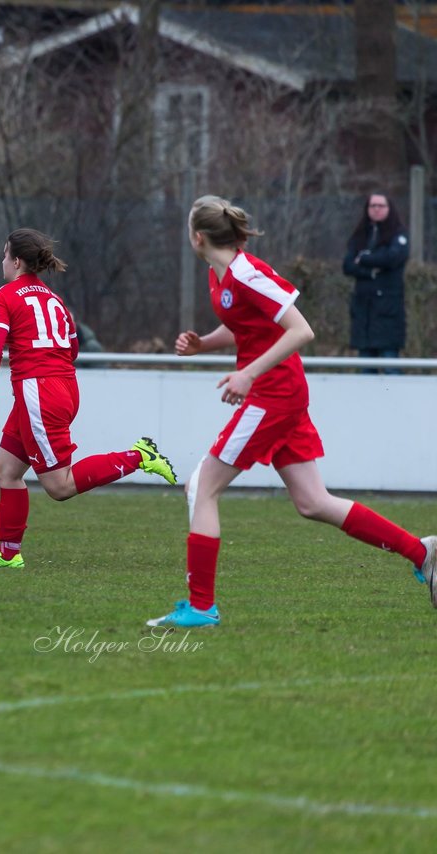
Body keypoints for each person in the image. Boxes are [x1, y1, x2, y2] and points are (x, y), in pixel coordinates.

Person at [148, 195, 436, 628]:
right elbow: (247, 325)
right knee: (313, 502)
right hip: (277, 393)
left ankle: (202, 607)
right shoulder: (219, 274)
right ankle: (423, 551)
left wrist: (248, 374)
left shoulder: (247, 273)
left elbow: (301, 330)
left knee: (201, 487)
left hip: (273, 394)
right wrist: (204, 344)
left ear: (197, 236)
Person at [0, 228, 178, 570]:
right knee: (7, 470)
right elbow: (74, 348)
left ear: (17, 261)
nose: (2, 262)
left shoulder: (6, 295)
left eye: (5, 255)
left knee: (59, 486)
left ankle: (139, 456)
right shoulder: (55, 300)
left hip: (39, 392)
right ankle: (9, 555)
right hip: (62, 387)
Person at [342, 193, 409, 374]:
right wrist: (371, 270)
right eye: (373, 206)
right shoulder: (360, 235)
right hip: (363, 313)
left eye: (381, 205)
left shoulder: (398, 234)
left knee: (390, 366)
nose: (376, 209)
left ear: (389, 208)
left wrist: (363, 258)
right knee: (366, 369)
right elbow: (348, 265)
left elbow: (392, 258)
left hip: (388, 312)